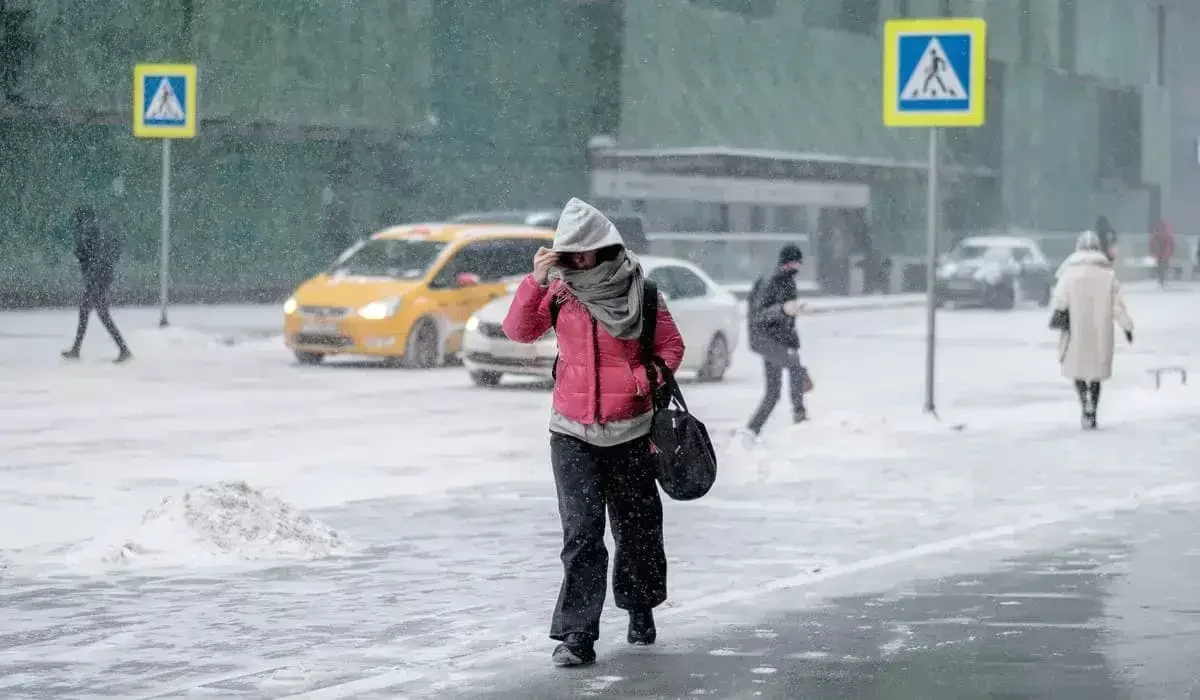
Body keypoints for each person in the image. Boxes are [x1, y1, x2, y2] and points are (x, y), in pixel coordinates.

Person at [502, 198, 685, 668]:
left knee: (637, 529)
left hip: (631, 431)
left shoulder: (640, 289)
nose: (578, 260)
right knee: (582, 534)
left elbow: (670, 345)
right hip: (571, 432)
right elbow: (519, 332)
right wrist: (535, 281)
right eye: (570, 253)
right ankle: (577, 636)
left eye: (585, 252)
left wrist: (646, 380)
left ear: (605, 248)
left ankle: (640, 606)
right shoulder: (560, 291)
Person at [1051, 231, 1133, 429]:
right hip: (1099, 330)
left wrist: (1058, 317)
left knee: (1077, 369)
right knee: (1095, 372)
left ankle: (1084, 404)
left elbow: (1060, 301)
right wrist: (1127, 327)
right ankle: (1093, 410)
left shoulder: (1069, 273)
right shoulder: (1108, 275)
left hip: (1075, 330)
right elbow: (1117, 306)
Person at [742, 243, 808, 438]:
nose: (796, 269)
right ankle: (800, 414)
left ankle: (751, 430)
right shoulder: (772, 282)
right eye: (794, 264)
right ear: (787, 263)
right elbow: (758, 316)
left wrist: (793, 344)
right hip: (763, 339)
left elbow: (787, 323)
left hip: (775, 340)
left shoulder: (787, 281)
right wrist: (782, 309)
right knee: (795, 367)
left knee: (773, 392)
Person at [62, 206, 131, 363]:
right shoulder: (101, 229)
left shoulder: (87, 231)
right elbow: (112, 251)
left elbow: (85, 255)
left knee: (97, 312)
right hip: (102, 275)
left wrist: (91, 271)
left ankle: (123, 349)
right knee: (87, 310)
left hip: (96, 277)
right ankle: (77, 349)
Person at [1148, 220, 1175, 288]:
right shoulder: (1165, 234)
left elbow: (1151, 243)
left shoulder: (1158, 234)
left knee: (1161, 267)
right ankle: (1162, 279)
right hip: (1163, 254)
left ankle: (1161, 279)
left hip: (1161, 254)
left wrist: (1153, 251)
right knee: (1162, 267)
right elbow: (1171, 244)